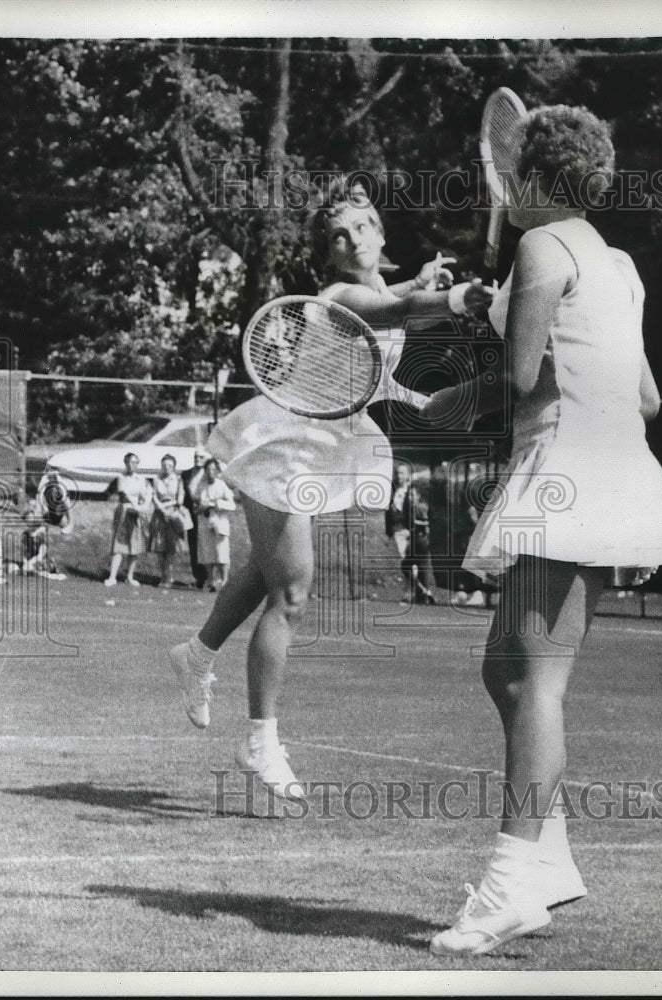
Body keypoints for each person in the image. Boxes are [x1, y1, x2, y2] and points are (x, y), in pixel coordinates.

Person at [422, 106, 662, 956]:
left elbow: (522, 379)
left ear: (524, 178)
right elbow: (642, 398)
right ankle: (548, 863)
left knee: (534, 685)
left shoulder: (539, 247)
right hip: (610, 470)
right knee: (504, 670)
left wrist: (441, 400)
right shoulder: (619, 263)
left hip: (569, 476)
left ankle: (504, 886)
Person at [167, 177, 493, 799]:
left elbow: (391, 307)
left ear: (380, 231)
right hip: (281, 445)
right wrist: (451, 301)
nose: (353, 239)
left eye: (362, 226)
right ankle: (260, 742)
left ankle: (198, 652)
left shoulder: (376, 287)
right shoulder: (344, 294)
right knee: (291, 594)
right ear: (330, 253)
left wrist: (424, 287)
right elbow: (391, 312)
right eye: (338, 235)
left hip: (319, 447)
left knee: (269, 574)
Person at [103, 452, 152, 587]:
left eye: (135, 462)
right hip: (124, 511)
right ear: (125, 463)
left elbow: (146, 493)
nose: (132, 465)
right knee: (119, 545)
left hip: (137, 513)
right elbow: (124, 493)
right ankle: (112, 577)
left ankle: (129, 576)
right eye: (130, 462)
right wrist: (135, 505)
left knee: (134, 546)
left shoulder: (141, 479)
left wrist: (142, 506)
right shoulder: (121, 477)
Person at [149, 454, 190, 588]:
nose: (167, 468)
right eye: (164, 465)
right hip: (159, 515)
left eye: (170, 465)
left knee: (171, 547)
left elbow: (180, 498)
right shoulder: (156, 479)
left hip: (173, 513)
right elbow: (153, 496)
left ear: (174, 466)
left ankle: (169, 576)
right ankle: (163, 576)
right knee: (160, 547)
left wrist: (168, 508)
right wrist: (161, 508)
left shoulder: (178, 480)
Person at [195, 458, 236, 592]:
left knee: (221, 552)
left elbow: (232, 505)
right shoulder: (201, 486)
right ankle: (211, 581)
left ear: (217, 471)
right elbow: (196, 506)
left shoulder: (222, 485)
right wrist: (201, 508)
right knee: (207, 552)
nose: (210, 472)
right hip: (205, 521)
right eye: (207, 469)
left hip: (219, 521)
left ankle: (224, 581)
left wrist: (215, 504)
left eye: (213, 469)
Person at [401, 483, 437, 605]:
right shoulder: (410, 508)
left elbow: (426, 526)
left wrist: (416, 529)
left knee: (407, 566)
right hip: (416, 540)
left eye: (413, 495)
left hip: (421, 541)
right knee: (419, 568)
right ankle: (424, 593)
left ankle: (424, 592)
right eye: (409, 495)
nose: (410, 498)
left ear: (418, 496)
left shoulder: (420, 507)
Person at [181, 447, 209, 590]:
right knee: (193, 546)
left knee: (205, 546)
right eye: (196, 457)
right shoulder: (185, 474)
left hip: (205, 514)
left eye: (201, 457)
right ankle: (198, 577)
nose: (198, 460)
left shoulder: (209, 474)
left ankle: (208, 577)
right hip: (190, 514)